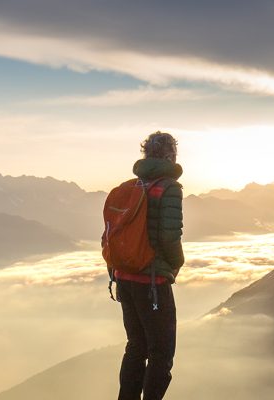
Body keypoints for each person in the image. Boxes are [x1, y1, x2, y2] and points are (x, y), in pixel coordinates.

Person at [115, 132, 185, 400]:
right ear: (171, 156)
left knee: (136, 346)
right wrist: (177, 263)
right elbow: (169, 236)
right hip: (152, 282)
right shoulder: (169, 188)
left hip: (124, 277)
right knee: (161, 352)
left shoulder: (132, 186)